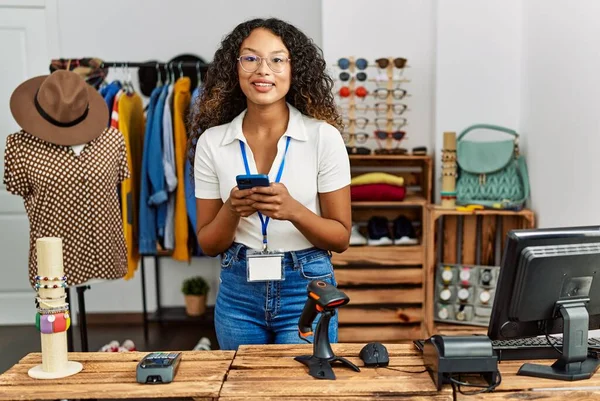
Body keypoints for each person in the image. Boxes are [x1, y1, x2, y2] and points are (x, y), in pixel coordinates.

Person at [189, 17, 351, 350]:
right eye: (250, 58)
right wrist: (232, 210)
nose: (263, 70)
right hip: (239, 292)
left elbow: (340, 236)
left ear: (294, 70)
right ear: (235, 68)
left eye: (277, 60)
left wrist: (294, 211)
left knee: (301, 390)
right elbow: (209, 243)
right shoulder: (211, 142)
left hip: (306, 289)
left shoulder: (323, 138)